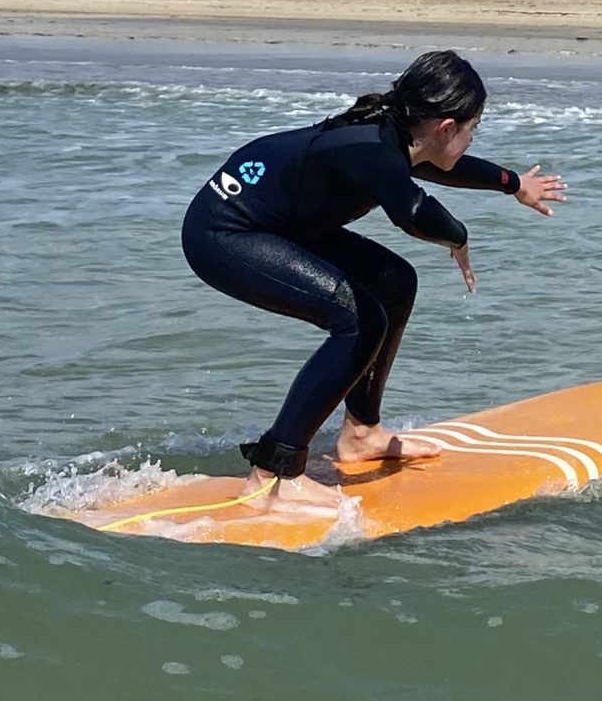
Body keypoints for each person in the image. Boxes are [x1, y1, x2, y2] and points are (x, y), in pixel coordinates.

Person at [181, 48, 566, 515]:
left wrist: (513, 183)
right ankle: (274, 474)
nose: (471, 140)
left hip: (278, 224)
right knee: (358, 320)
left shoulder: (395, 135)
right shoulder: (371, 147)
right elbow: (414, 211)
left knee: (394, 282)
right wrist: (459, 238)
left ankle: (362, 433)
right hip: (225, 233)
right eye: (473, 129)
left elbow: (441, 167)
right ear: (447, 127)